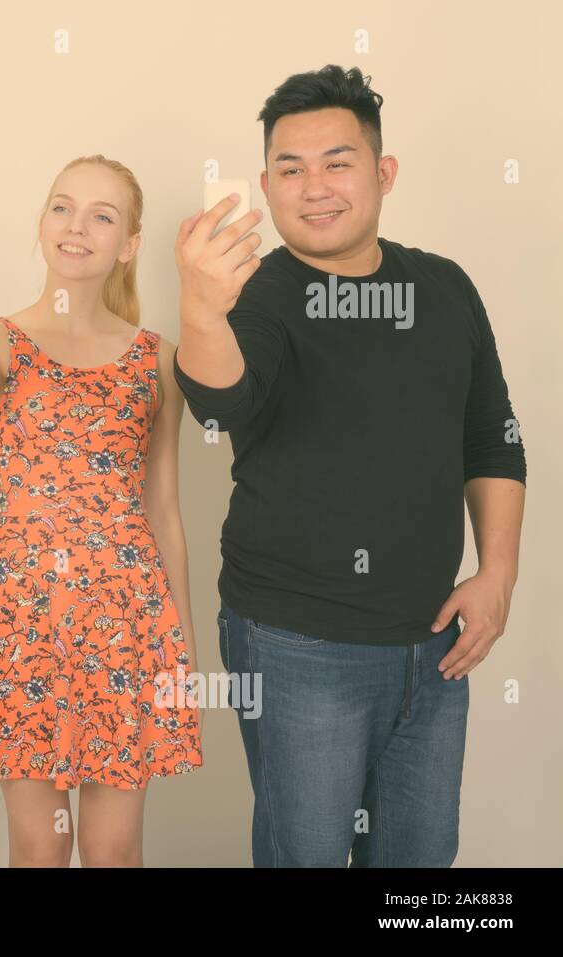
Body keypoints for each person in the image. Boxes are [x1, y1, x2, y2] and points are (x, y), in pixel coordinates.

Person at [172, 65, 527, 867]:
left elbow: (493, 438)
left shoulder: (443, 288)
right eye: (290, 169)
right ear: (265, 186)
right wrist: (199, 305)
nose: (314, 187)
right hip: (299, 645)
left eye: (337, 162)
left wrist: (497, 570)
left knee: (419, 868)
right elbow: (219, 399)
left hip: (436, 645)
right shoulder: (255, 295)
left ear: (382, 172)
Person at [0, 155, 204, 867]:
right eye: (62, 207)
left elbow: (164, 508)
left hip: (129, 625)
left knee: (112, 851)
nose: (78, 226)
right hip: (23, 621)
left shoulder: (157, 359)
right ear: (41, 225)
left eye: (103, 215)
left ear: (129, 244)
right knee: (39, 850)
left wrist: (180, 649)